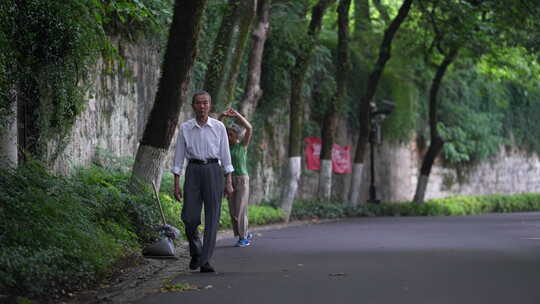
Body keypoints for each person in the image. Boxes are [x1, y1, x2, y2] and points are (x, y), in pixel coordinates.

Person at [172, 91, 234, 273]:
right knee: (189, 217)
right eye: (198, 103)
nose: (202, 106)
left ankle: (205, 260)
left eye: (205, 103)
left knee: (212, 217)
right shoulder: (185, 128)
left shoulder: (219, 127)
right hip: (193, 170)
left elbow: (225, 155)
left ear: (210, 105)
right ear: (193, 106)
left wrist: (228, 180)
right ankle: (196, 251)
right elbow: (178, 157)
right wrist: (176, 183)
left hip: (214, 170)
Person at [218, 108, 253, 247]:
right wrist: (222, 115)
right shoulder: (224, 147)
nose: (228, 137)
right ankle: (244, 233)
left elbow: (249, 127)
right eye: (227, 134)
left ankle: (243, 237)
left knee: (240, 209)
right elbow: (216, 128)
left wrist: (237, 115)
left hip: (242, 180)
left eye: (231, 134)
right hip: (229, 180)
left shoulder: (242, 146)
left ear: (237, 136)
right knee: (233, 211)